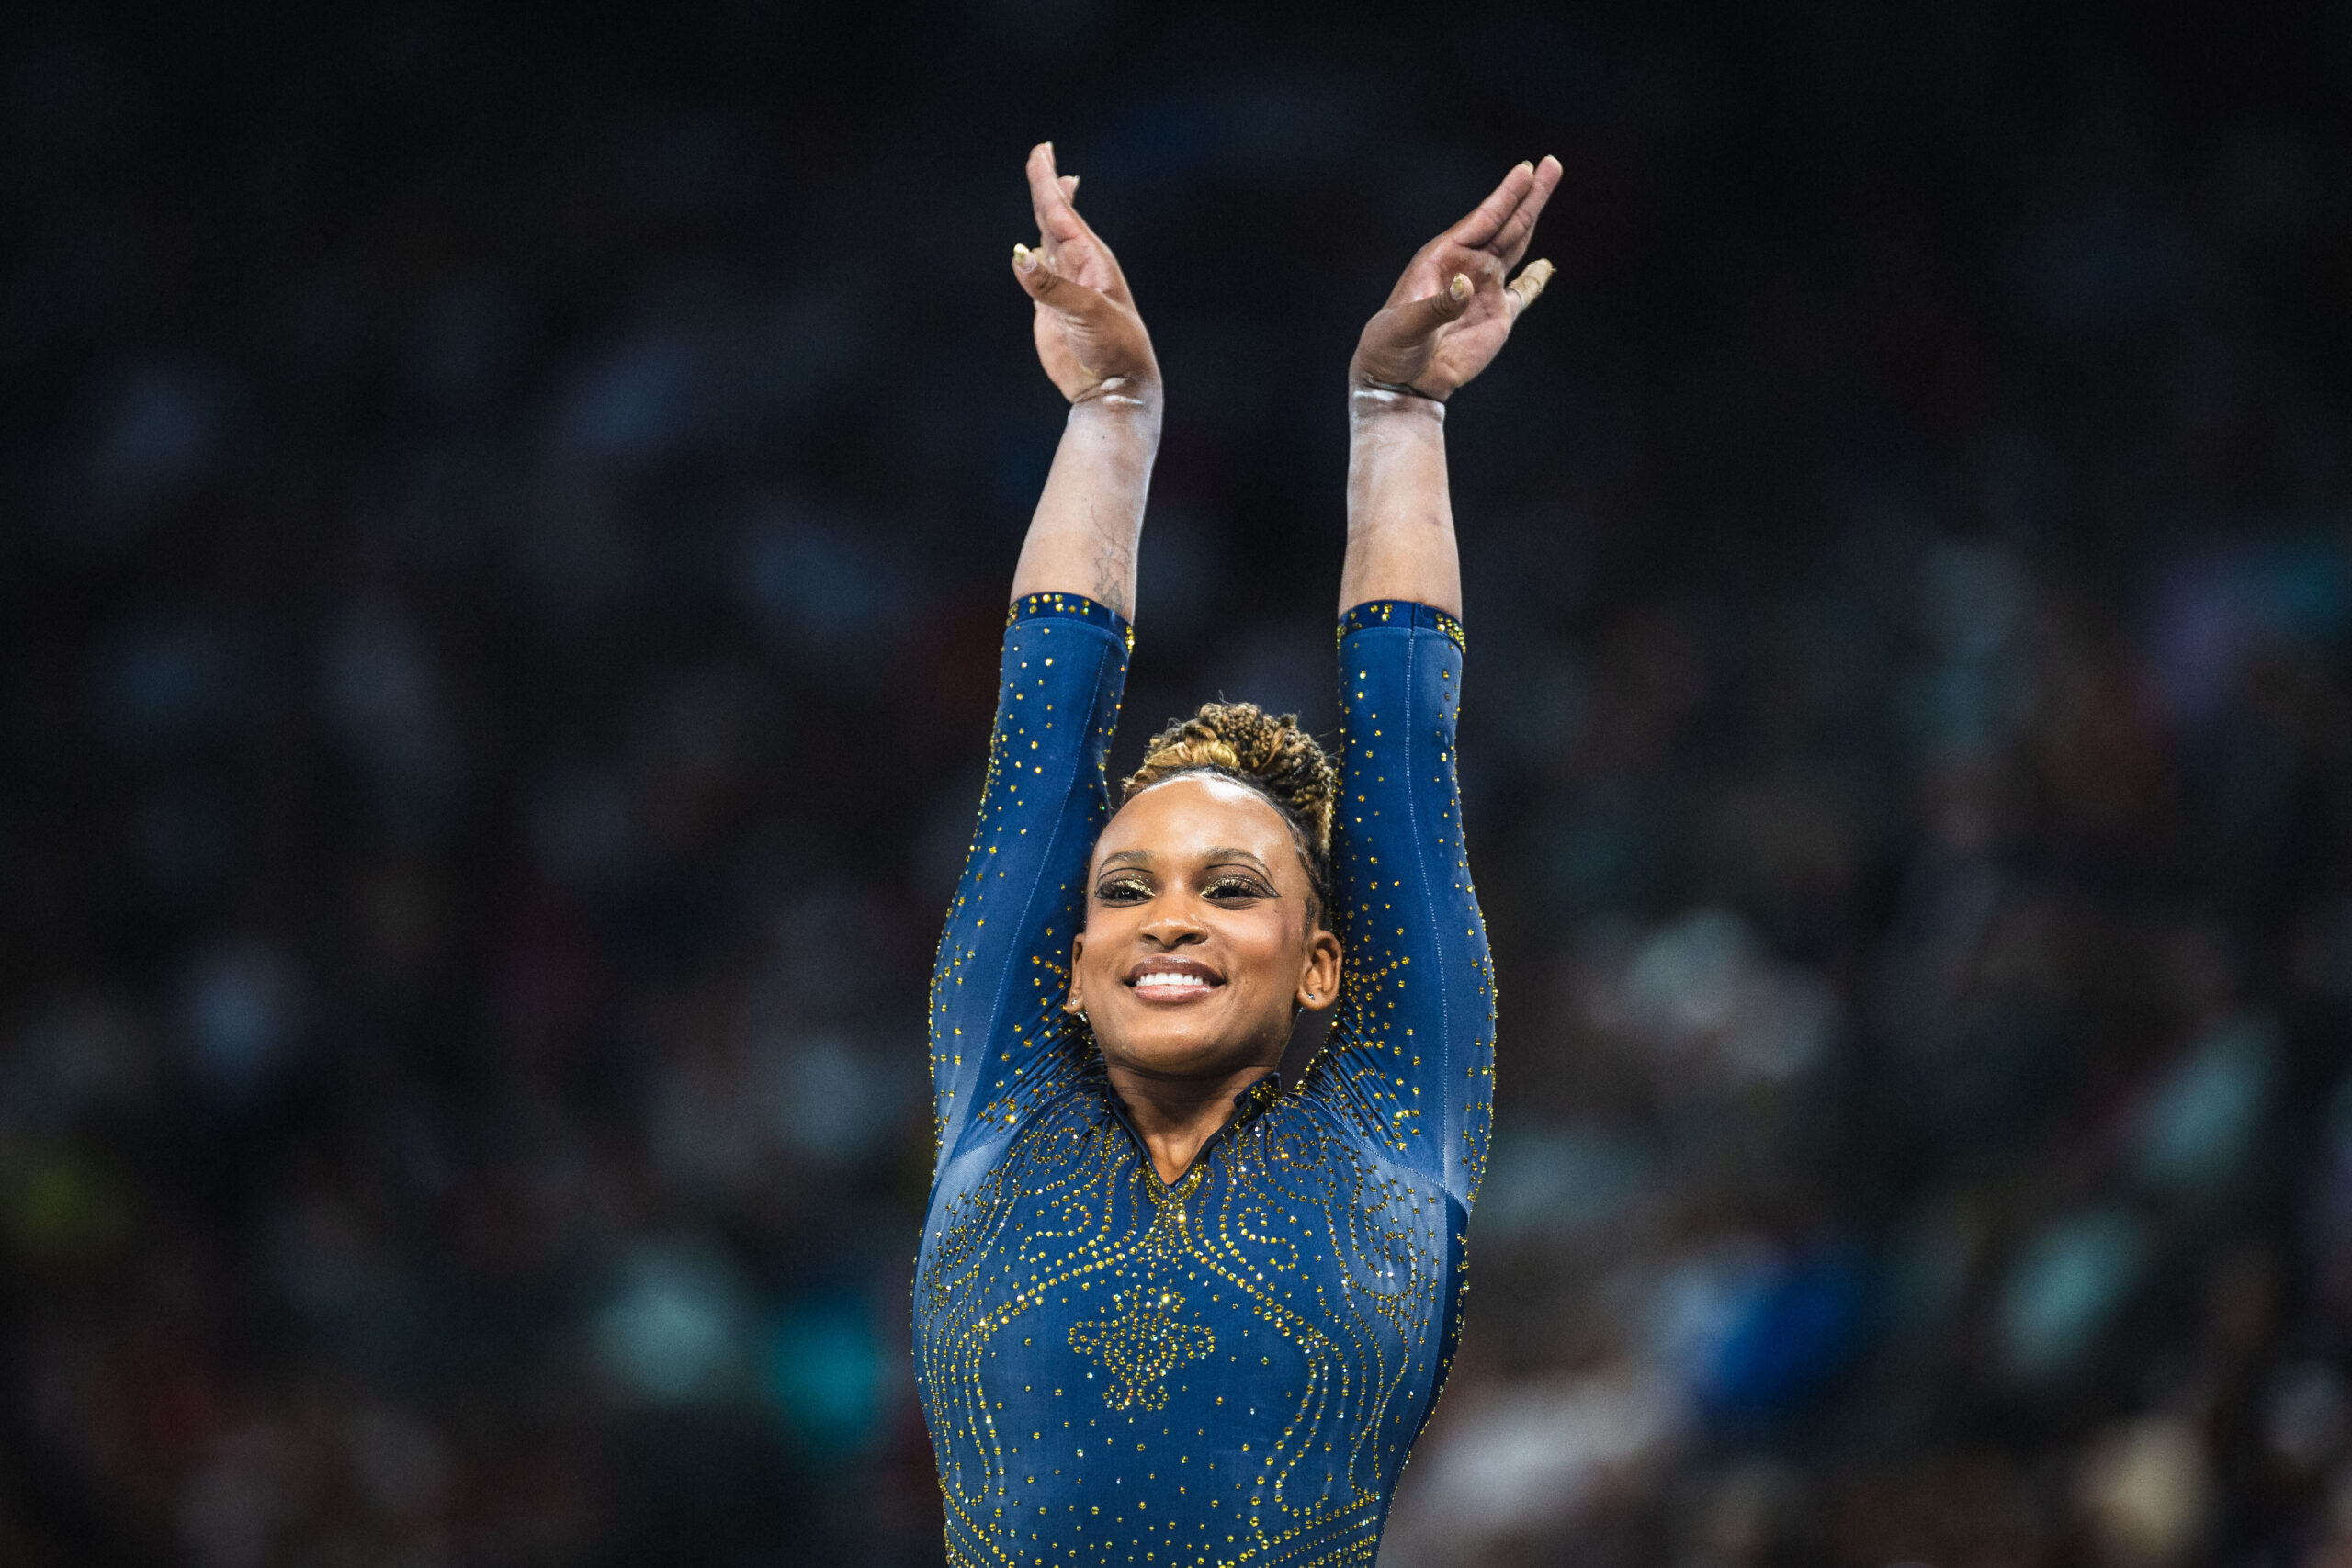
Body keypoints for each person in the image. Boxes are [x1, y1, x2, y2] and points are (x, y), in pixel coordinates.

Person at [916, 140, 1559, 1566]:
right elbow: (1042, 736)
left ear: (1328, 960)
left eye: (1233, 887)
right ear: (1065, 961)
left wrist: (1398, 411)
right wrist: (1110, 409)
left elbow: (1405, 752)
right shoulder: (1001, 1106)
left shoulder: (1395, 1129)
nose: (1168, 919)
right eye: (1127, 887)